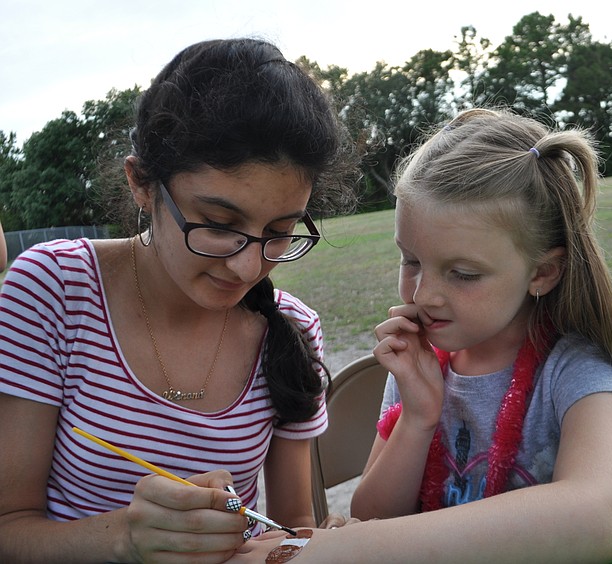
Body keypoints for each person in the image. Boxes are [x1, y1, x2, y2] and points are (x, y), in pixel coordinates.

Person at [230, 107, 612, 562]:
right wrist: (418, 417)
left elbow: (595, 518)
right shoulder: (416, 365)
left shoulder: (577, 375)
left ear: (544, 272)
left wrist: (339, 551)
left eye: (461, 273)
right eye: (411, 260)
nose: (424, 294)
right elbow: (374, 512)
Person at [0, 37, 358, 563]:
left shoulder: (293, 328)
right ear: (142, 184)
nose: (247, 266)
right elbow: (9, 529)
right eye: (217, 224)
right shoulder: (54, 288)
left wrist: (312, 542)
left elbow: (293, 527)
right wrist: (125, 539)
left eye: (280, 231)